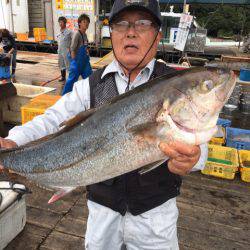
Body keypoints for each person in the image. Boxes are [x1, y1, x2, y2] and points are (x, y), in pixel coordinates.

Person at [0, 0, 208, 249]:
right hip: (102, 216)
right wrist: (12, 142)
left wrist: (194, 158)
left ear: (157, 35)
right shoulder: (91, 86)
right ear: (112, 33)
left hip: (155, 219)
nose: (131, 32)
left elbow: (199, 143)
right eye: (121, 24)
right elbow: (51, 120)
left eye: (142, 23)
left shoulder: (174, 84)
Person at [62, 14, 92, 95]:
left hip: (84, 63)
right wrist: (74, 63)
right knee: (71, 81)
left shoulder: (85, 35)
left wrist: (87, 53)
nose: (86, 24)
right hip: (77, 63)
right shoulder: (77, 34)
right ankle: (64, 97)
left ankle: (89, 96)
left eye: (88, 22)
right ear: (79, 23)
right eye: (84, 22)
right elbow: (72, 49)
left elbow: (85, 47)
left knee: (90, 80)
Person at [56, 16, 73, 82]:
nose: (60, 24)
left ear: (65, 23)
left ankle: (70, 78)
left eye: (61, 22)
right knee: (61, 63)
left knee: (68, 64)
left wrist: (71, 49)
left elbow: (74, 40)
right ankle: (63, 77)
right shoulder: (59, 33)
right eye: (59, 22)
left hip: (67, 51)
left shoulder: (69, 32)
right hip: (60, 51)